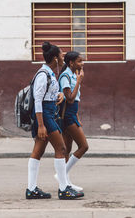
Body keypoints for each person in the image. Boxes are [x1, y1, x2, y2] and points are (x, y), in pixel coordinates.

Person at [26, 42, 83, 200]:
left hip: (49, 113)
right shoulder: (43, 74)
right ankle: (64, 189)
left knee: (38, 151)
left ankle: (31, 189)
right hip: (44, 116)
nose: (62, 57)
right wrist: (42, 126)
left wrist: (60, 95)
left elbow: (49, 94)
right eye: (60, 55)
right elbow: (38, 100)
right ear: (54, 58)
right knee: (62, 149)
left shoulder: (50, 73)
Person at [55, 51, 88, 192]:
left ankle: (66, 182)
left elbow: (75, 101)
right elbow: (69, 98)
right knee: (83, 146)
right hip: (67, 116)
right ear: (71, 63)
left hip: (72, 114)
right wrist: (79, 81)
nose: (82, 64)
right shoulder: (65, 76)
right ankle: (61, 176)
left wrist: (77, 115)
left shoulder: (73, 74)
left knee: (67, 150)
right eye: (79, 61)